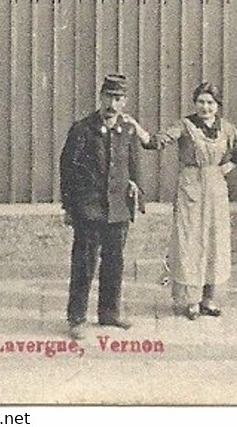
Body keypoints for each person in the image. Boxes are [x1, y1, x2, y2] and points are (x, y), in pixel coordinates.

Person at [59, 73, 154, 340]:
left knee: (114, 262)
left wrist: (138, 192)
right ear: (100, 97)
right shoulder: (82, 129)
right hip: (89, 208)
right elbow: (67, 169)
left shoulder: (128, 130)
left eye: (118, 98)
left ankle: (109, 313)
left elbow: (134, 167)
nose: (113, 104)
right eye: (109, 97)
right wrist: (68, 206)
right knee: (84, 263)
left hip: (118, 208)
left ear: (125, 101)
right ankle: (76, 317)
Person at [153, 82, 237, 319]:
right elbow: (162, 139)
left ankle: (210, 299)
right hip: (191, 188)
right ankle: (191, 301)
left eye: (210, 103)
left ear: (217, 106)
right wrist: (147, 136)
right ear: (194, 103)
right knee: (190, 242)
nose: (205, 107)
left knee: (215, 242)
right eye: (201, 102)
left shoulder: (226, 129)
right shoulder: (185, 126)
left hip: (216, 188)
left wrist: (229, 165)